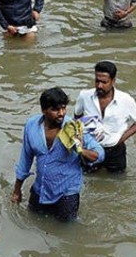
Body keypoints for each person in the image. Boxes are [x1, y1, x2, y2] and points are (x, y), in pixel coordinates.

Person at [11, 88, 104, 222]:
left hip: (67, 194)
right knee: (32, 222)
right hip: (40, 189)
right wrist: (16, 190)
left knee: (65, 231)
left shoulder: (73, 128)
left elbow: (99, 154)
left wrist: (79, 148)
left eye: (63, 108)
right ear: (44, 110)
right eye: (55, 110)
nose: (61, 113)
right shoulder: (32, 126)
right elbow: (26, 158)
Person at [74, 61, 136, 173]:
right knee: (89, 179)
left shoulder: (125, 100)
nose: (99, 86)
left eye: (104, 82)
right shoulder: (85, 96)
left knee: (117, 182)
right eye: (97, 81)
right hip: (91, 150)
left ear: (113, 81)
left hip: (115, 151)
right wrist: (80, 139)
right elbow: (77, 117)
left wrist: (120, 139)